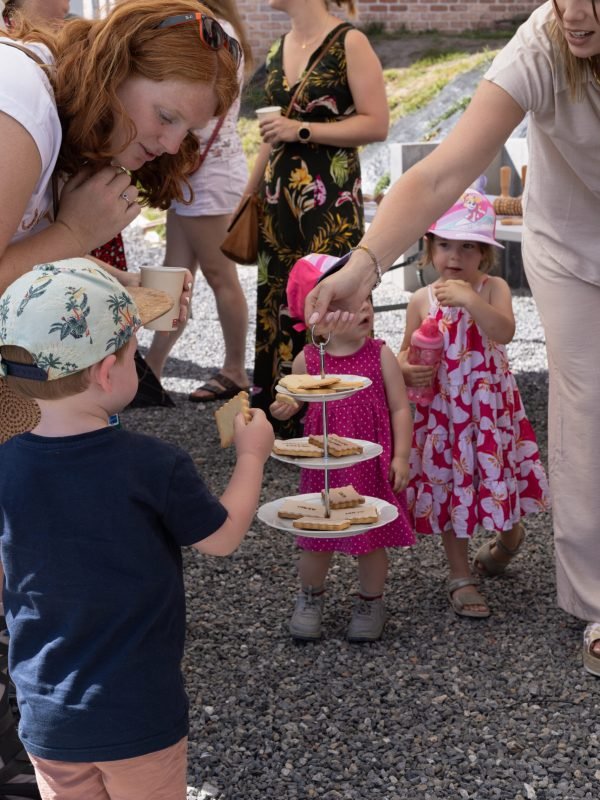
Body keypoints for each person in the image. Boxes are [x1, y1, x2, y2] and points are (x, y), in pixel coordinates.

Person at [306, 0, 600, 675]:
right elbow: (441, 173)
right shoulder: (543, 44)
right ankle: (596, 603)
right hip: (570, 248)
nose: (575, 13)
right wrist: (365, 264)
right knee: (585, 407)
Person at [0, 258, 274, 799]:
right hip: (136, 710)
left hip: (45, 713)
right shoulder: (153, 464)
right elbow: (221, 539)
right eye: (134, 355)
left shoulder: (5, 460)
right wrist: (252, 458)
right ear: (108, 370)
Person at [398, 190, 550, 618]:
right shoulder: (420, 300)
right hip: (445, 418)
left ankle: (507, 537)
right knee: (451, 490)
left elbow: (503, 331)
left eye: (468, 245)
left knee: (499, 479)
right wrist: (408, 369)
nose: (455, 255)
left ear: (484, 254)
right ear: (429, 249)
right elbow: (403, 354)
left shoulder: (492, 287)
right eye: (445, 244)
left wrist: (470, 299)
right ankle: (459, 574)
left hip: (488, 414)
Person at [246, 0, 389, 435]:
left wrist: (303, 130)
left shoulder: (350, 42)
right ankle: (282, 418)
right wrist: (249, 192)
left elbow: (376, 123)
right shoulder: (277, 49)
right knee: (279, 301)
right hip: (278, 200)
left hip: (331, 197)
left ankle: (343, 418)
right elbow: (273, 135)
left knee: (331, 298)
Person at [269, 254, 413, 642]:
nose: (365, 307)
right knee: (316, 540)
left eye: (367, 299)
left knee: (370, 539)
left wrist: (401, 456)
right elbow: (296, 398)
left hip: (370, 467)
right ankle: (310, 597)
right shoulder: (309, 359)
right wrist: (287, 405)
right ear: (320, 314)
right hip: (324, 471)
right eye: (350, 304)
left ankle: (370, 601)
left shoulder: (379, 354)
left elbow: (400, 407)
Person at [144, 0, 253, 402]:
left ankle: (235, 369)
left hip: (207, 174)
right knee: (174, 274)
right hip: (192, 170)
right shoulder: (209, 26)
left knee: (219, 275)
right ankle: (152, 370)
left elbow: (203, 108)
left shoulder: (212, 31)